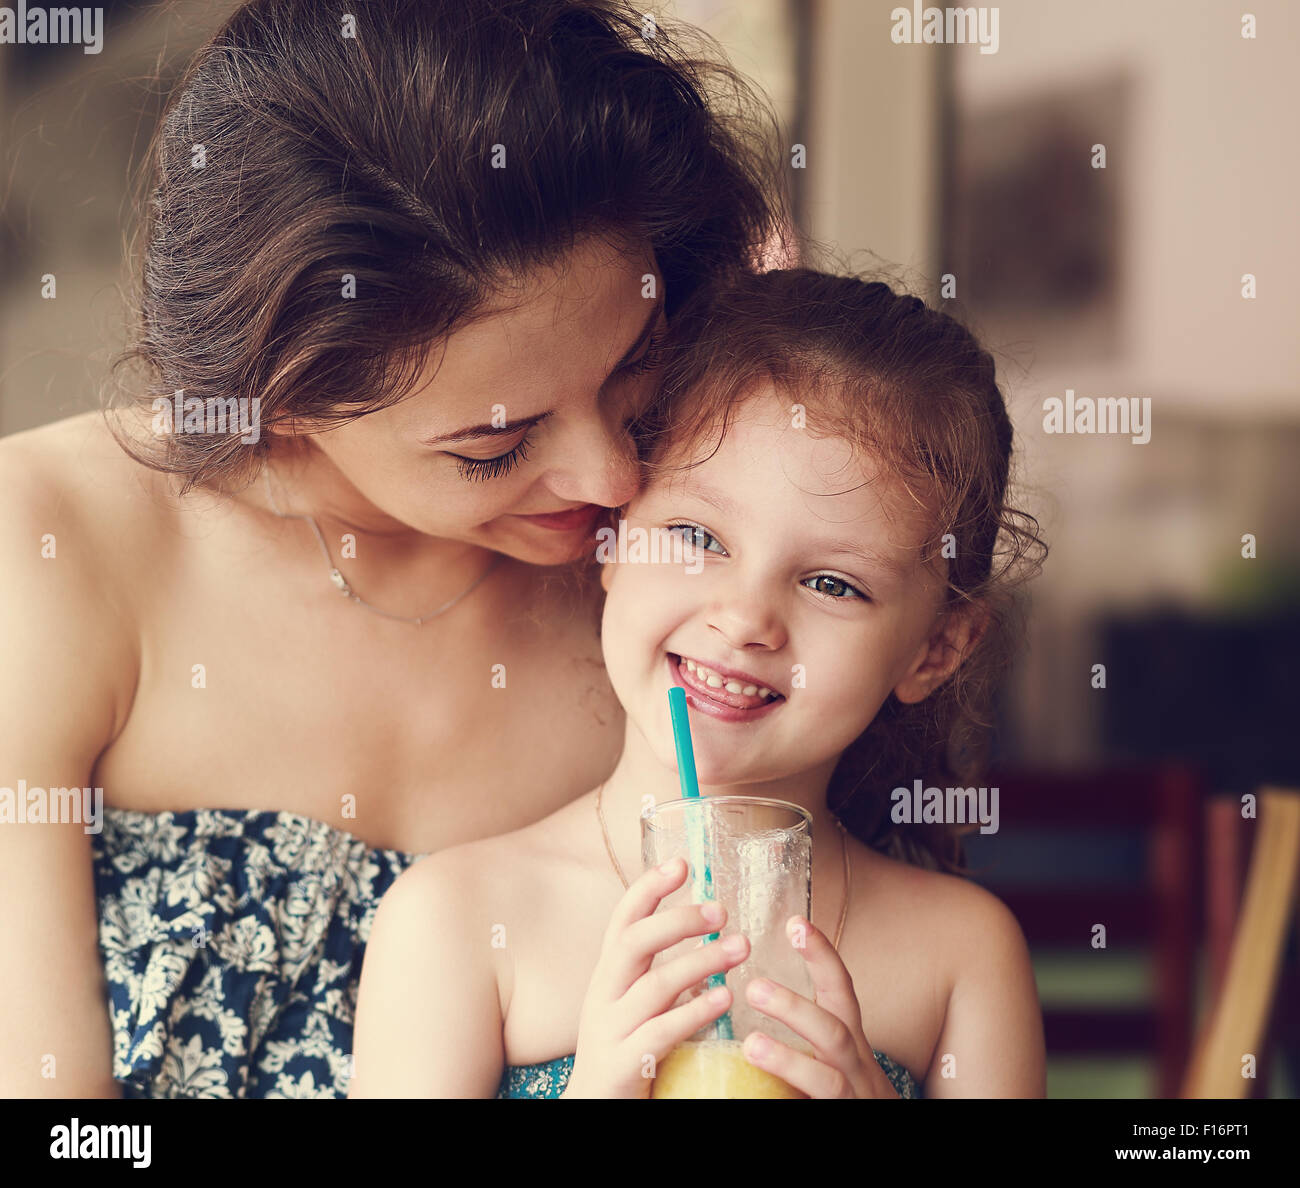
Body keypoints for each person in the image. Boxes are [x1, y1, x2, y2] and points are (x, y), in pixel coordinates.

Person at [0, 0, 782, 1098]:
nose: (612, 481)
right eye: (496, 443)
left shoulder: (687, 594)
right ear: (284, 403)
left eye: (631, 367)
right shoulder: (47, 543)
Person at [350, 269, 1049, 1098]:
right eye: (696, 535)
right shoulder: (454, 921)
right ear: (612, 539)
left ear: (934, 651)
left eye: (833, 584)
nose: (747, 617)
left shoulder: (963, 955)